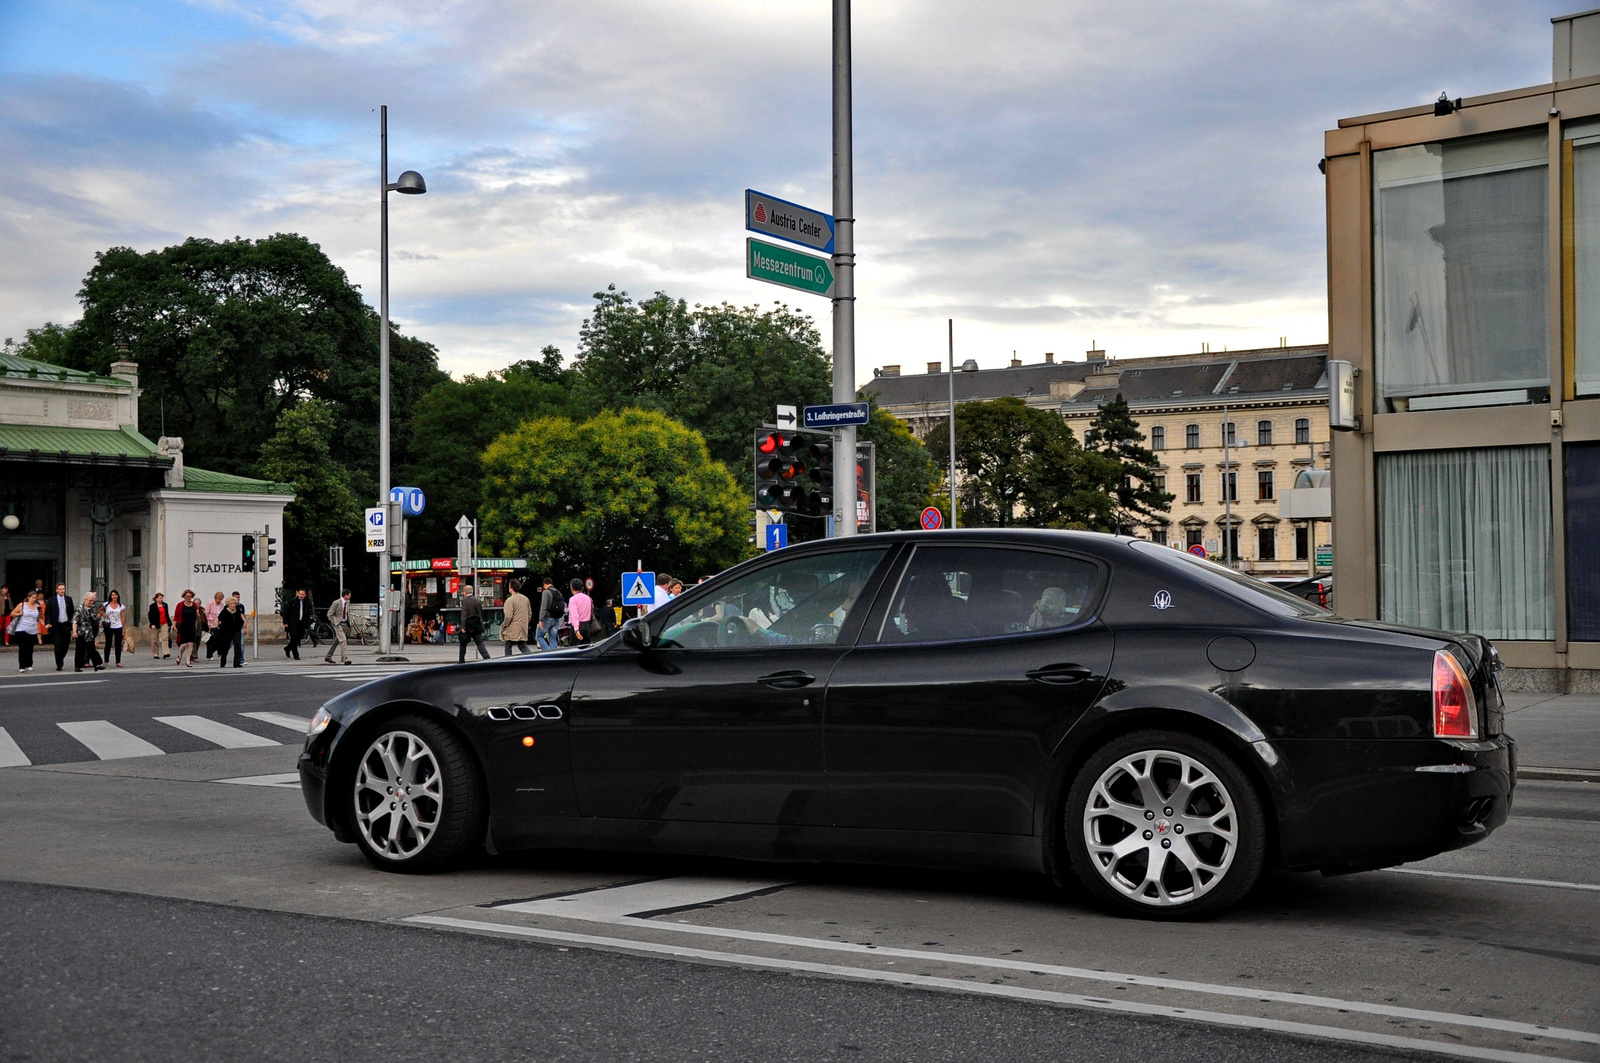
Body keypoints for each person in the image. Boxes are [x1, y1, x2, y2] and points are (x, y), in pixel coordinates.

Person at [72, 591, 105, 672]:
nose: (91, 602)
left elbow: (96, 618)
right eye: (90, 600)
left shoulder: (93, 608)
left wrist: (101, 616)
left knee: (92, 649)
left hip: (90, 632)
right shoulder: (79, 609)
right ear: (85, 599)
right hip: (81, 632)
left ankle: (97, 664)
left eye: (93, 600)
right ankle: (77, 666)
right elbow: (75, 621)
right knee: (80, 650)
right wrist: (74, 632)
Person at [46, 583, 75, 671]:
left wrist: (72, 623)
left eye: (63, 589)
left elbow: (71, 611)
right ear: (56, 590)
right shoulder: (51, 600)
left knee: (65, 645)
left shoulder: (68, 599)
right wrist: (48, 622)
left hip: (65, 624)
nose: (62, 591)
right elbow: (47, 613)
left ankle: (60, 657)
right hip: (56, 625)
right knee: (58, 645)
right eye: (60, 589)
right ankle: (59, 664)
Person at [10, 591, 41, 671]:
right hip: (22, 628)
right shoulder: (22, 605)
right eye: (32, 597)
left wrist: (45, 624)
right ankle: (22, 666)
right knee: (22, 647)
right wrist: (19, 614)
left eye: (35, 598)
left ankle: (29, 664)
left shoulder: (37, 606)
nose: (34, 599)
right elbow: (12, 613)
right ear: (28, 597)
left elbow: (39, 618)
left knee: (30, 648)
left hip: (33, 629)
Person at [500, 578, 532, 655]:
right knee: (522, 646)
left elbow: (509, 616)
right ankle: (531, 659)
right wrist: (525, 622)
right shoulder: (525, 599)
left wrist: (504, 625)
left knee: (508, 646)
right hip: (522, 626)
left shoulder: (509, 600)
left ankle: (508, 664)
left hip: (512, 628)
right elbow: (529, 613)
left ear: (511, 587)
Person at [458, 585, 490, 662]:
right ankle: (487, 658)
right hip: (477, 625)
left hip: (468, 625)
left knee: (463, 642)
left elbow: (464, 615)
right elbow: (480, 613)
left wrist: (463, 627)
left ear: (465, 592)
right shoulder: (478, 600)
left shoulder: (465, 601)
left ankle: (461, 660)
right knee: (479, 642)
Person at [173, 589, 202, 668]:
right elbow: (176, 616)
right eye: (187, 596)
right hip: (182, 625)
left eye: (190, 596)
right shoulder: (180, 605)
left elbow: (195, 616)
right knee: (183, 644)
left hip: (191, 626)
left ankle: (188, 661)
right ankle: (180, 655)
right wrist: (174, 625)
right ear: (184, 597)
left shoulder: (194, 605)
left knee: (191, 644)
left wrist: (195, 625)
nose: (189, 598)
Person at [324, 590, 353, 665]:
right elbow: (329, 613)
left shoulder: (348, 602)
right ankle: (345, 658)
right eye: (349, 595)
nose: (350, 596)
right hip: (338, 624)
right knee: (343, 640)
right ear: (345, 595)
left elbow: (347, 612)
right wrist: (334, 622)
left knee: (337, 641)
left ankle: (328, 656)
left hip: (345, 624)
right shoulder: (336, 602)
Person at [215, 596, 246, 668]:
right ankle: (223, 662)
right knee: (226, 646)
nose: (233, 605)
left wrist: (244, 625)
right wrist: (216, 628)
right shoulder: (225, 611)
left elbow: (242, 618)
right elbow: (218, 619)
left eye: (234, 603)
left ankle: (237, 663)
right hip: (226, 631)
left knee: (238, 646)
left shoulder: (238, 611)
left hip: (236, 630)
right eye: (231, 603)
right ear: (228, 604)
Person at [536, 576, 564, 651]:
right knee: (552, 638)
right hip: (557, 619)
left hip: (547, 618)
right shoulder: (558, 592)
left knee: (539, 636)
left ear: (545, 584)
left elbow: (543, 607)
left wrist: (540, 619)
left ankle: (548, 653)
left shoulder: (546, 592)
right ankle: (555, 657)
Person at [285, 588, 314, 660]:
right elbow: (286, 612)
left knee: (297, 639)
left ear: (305, 595)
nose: (301, 596)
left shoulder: (307, 603)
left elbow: (309, 612)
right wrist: (285, 622)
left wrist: (308, 621)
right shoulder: (293, 602)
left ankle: (287, 648)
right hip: (293, 623)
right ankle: (296, 655)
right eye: (300, 594)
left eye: (302, 594)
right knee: (294, 638)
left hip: (302, 623)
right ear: (298, 594)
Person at [567, 578, 599, 643]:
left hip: (578, 626)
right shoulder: (588, 598)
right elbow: (591, 611)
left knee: (575, 649)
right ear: (582, 588)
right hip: (587, 626)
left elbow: (574, 615)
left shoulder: (573, 599)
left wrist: (576, 629)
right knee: (586, 647)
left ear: (572, 588)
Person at [102, 589, 127, 667]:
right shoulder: (106, 604)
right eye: (112, 595)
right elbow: (100, 610)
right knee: (108, 644)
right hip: (109, 626)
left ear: (118, 596)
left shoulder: (121, 606)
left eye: (115, 595)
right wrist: (104, 614)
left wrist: (123, 628)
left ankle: (118, 661)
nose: (114, 596)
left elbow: (123, 617)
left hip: (118, 626)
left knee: (118, 644)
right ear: (110, 596)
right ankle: (106, 661)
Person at [147, 592, 171, 659]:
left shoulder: (165, 605)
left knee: (165, 638)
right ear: (156, 599)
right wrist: (152, 624)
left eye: (162, 598)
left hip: (164, 623)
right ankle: (155, 653)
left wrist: (169, 623)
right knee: (154, 639)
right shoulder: (152, 606)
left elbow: (167, 614)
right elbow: (150, 615)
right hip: (156, 623)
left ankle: (166, 653)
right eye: (160, 598)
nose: (161, 599)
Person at [204, 591, 225, 659]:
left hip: (219, 624)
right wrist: (210, 621)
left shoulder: (222, 605)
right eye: (218, 599)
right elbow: (206, 614)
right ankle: (210, 655)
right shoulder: (210, 604)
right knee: (211, 640)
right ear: (215, 598)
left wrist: (220, 621)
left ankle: (220, 652)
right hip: (211, 624)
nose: (219, 600)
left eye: (221, 599)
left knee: (220, 639)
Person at [228, 591, 247, 666]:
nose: (237, 599)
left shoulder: (241, 606)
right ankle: (222, 653)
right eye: (236, 597)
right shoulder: (228, 606)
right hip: (230, 628)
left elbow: (243, 616)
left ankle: (241, 659)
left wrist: (245, 626)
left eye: (238, 597)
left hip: (239, 628)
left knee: (240, 644)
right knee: (229, 643)